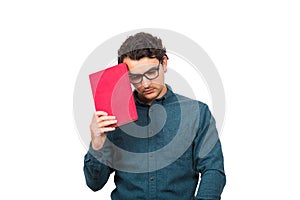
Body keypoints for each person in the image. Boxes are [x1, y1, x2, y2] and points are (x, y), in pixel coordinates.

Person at [84, 32, 226, 200]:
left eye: (151, 72)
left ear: (164, 63)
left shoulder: (197, 112)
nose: (145, 84)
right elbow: (94, 183)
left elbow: (213, 170)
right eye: (135, 77)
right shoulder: (113, 118)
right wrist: (97, 143)